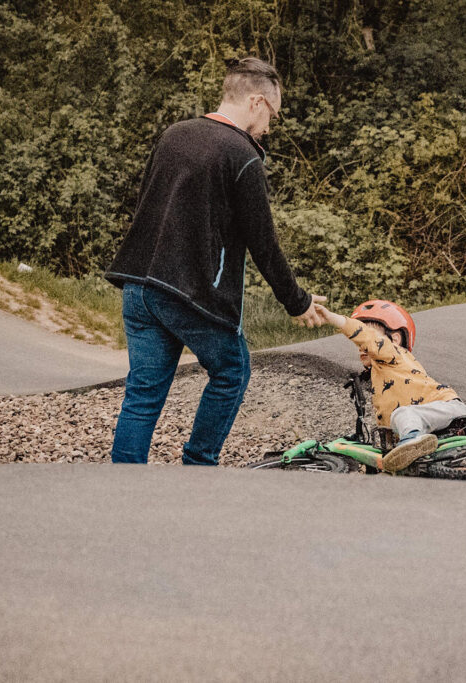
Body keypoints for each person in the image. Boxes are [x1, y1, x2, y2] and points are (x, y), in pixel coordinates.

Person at [104, 57, 324, 465]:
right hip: (191, 293)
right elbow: (264, 244)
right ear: (257, 102)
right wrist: (298, 301)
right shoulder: (241, 154)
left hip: (139, 285)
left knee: (143, 393)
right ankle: (199, 469)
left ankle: (122, 486)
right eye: (272, 115)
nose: (270, 127)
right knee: (231, 371)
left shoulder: (174, 134)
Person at [314, 299, 466, 472]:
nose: (361, 346)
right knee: (393, 422)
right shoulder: (380, 376)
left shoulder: (395, 354)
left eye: (365, 339)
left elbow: (369, 339)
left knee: (403, 413)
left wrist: (332, 318)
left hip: (450, 409)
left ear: (395, 339)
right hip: (431, 423)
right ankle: (410, 447)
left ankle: (412, 441)